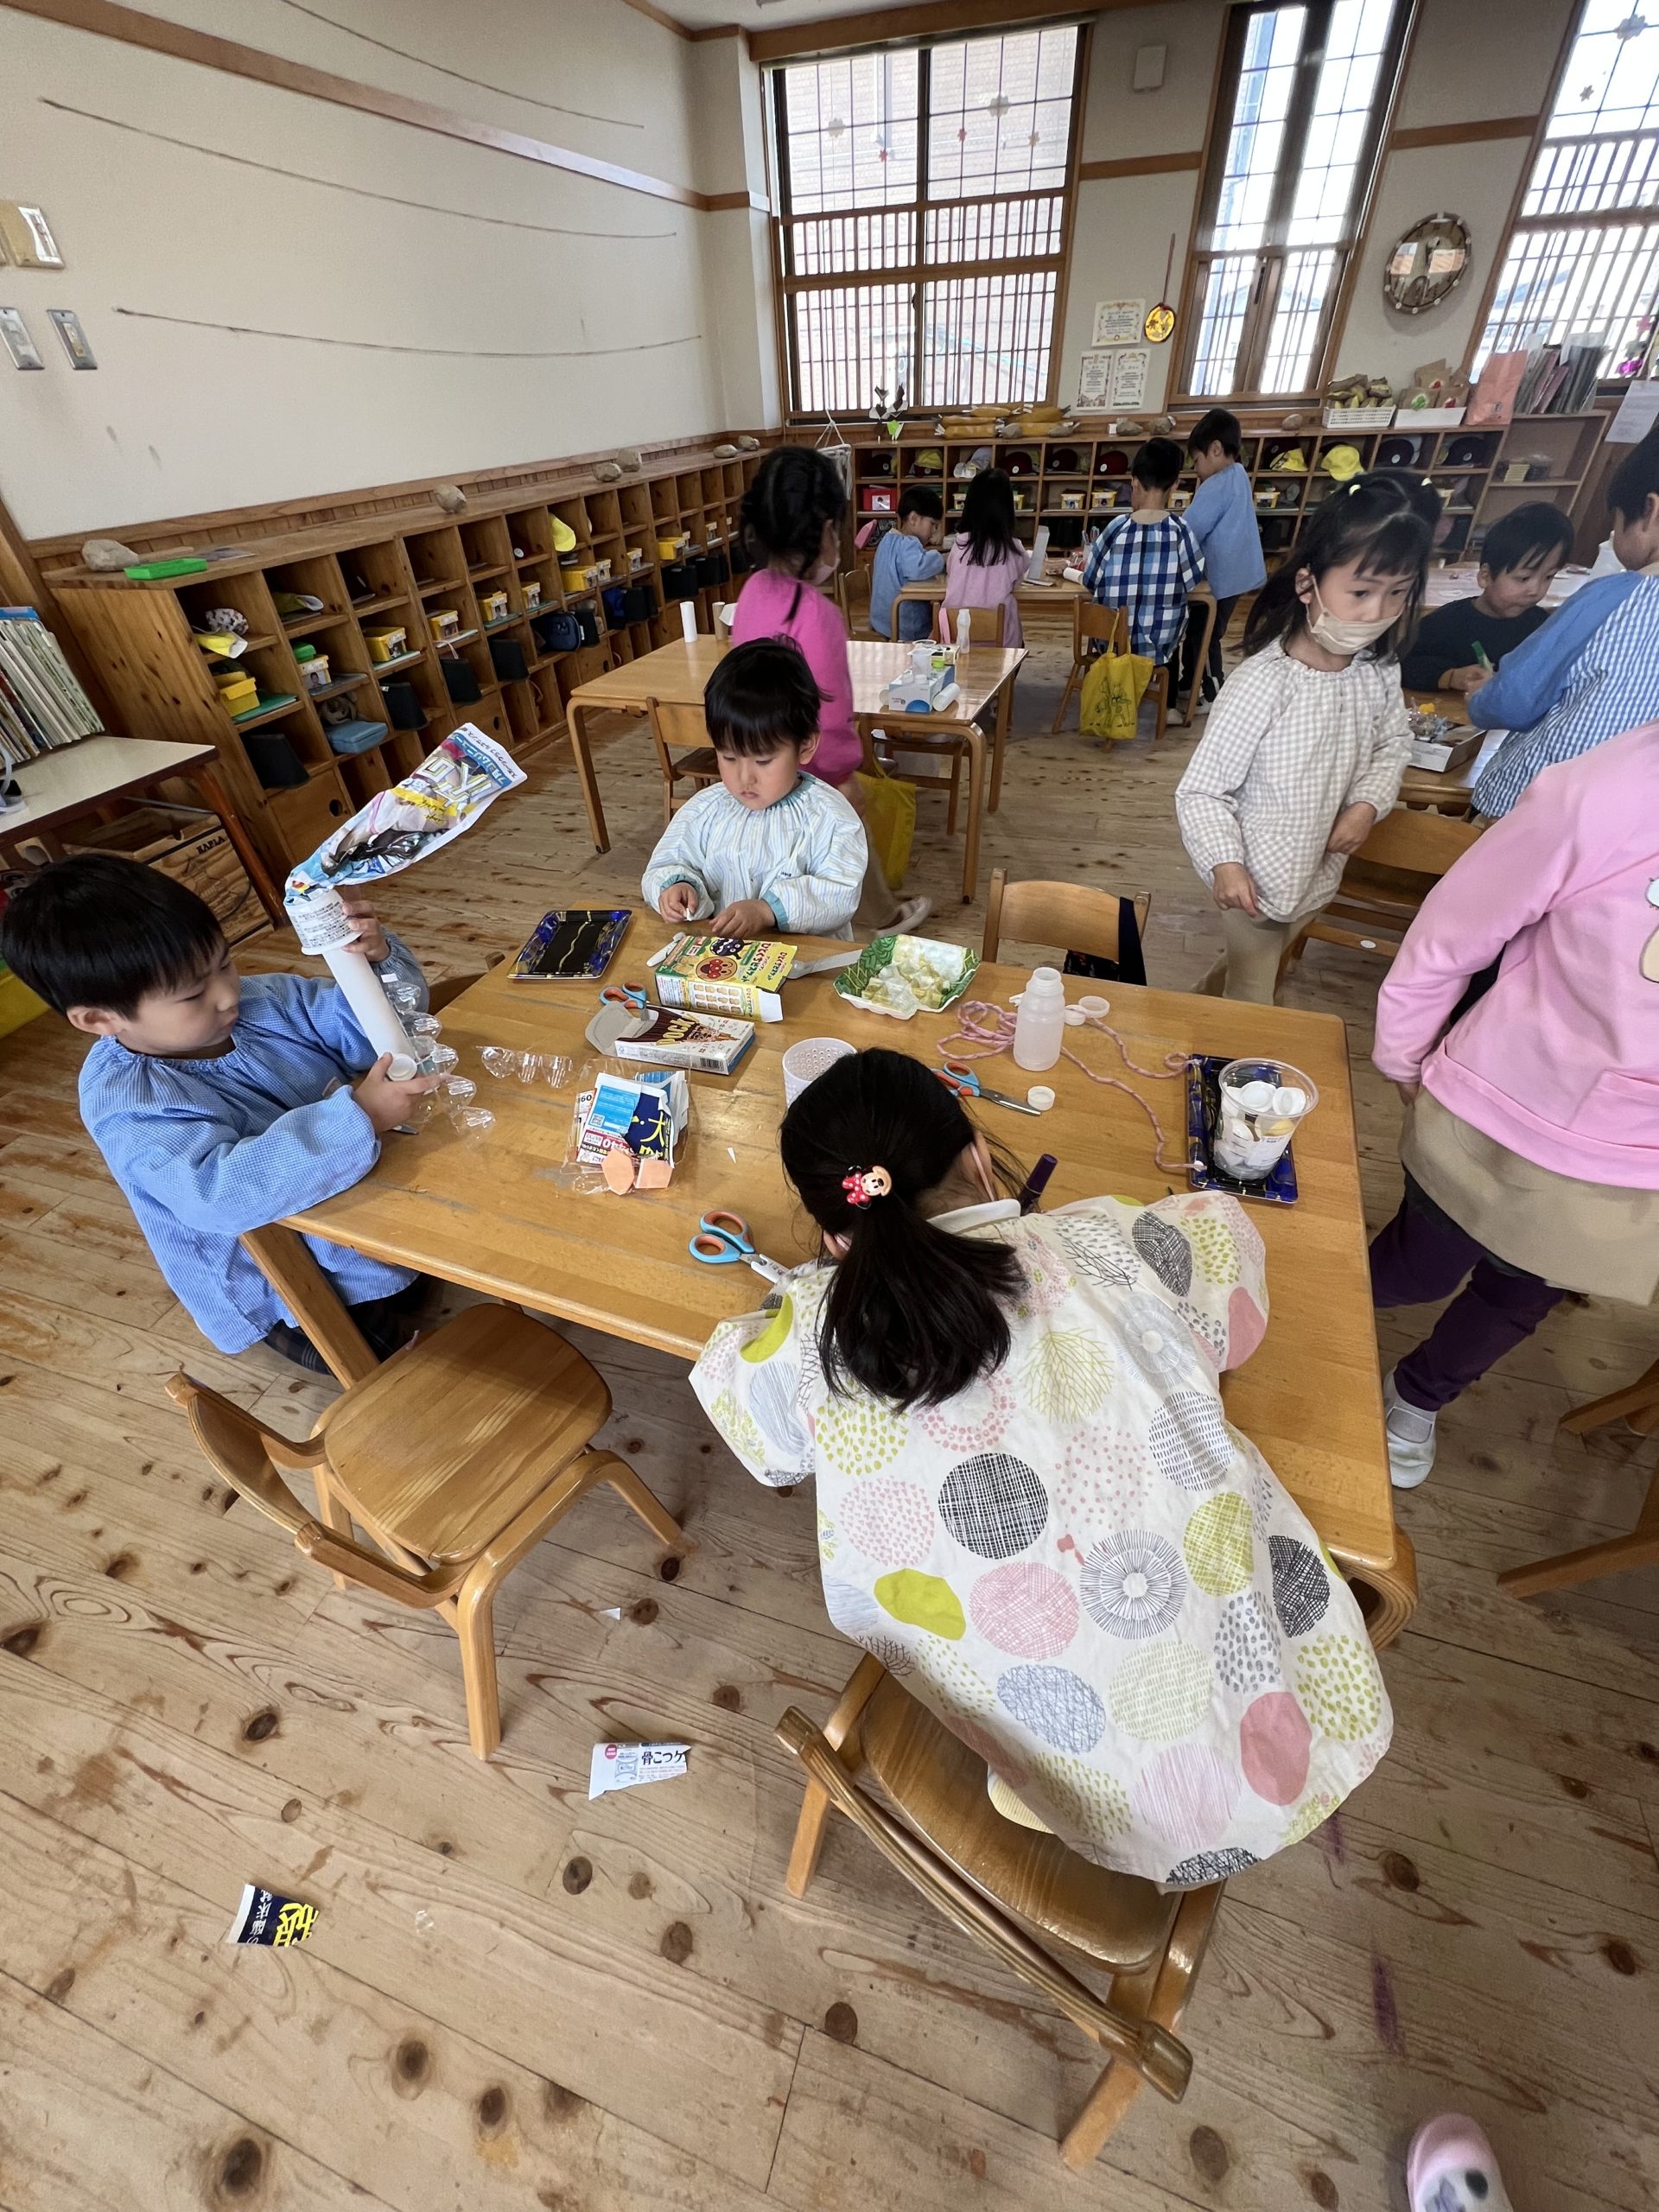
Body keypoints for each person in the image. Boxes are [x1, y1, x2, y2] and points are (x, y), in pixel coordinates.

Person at [690, 1047, 1391, 1886]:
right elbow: (1238, 1301)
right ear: (978, 1156)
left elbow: (756, 1435)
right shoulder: (1107, 1236)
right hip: (1309, 1726)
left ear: (838, 1237)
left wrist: (807, 1295)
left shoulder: (817, 1329)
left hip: (1085, 1798)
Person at [0, 854, 436, 1371]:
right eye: (193, 993)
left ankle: (390, 1278)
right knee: (391, 1361)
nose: (229, 995)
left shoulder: (265, 1001)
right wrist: (358, 1116)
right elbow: (220, 1194)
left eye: (224, 963)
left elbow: (377, 1035)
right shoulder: (129, 1102)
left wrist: (374, 964)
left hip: (355, 1211)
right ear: (100, 1019)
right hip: (284, 1278)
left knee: (425, 1274)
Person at [1368, 720, 1659, 1488]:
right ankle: (1299, 1312)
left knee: (1519, 1299)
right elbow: (1452, 932)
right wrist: (1404, 1050)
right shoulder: (1601, 794)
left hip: (1635, 1162)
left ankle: (1417, 1395)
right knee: (1417, 1268)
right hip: (1502, 1104)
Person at [1175, 477, 1427, 1001]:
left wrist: (1367, 805)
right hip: (1252, 882)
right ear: (1307, 585)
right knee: (1253, 998)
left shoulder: (1377, 669)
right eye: (1360, 592)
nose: (1377, 612)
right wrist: (1226, 863)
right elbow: (1201, 791)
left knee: (1253, 968)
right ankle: (1222, 1045)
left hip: (1318, 873)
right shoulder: (1264, 684)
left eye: (1398, 593)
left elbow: (1393, 744)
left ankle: (1194, 1006)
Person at [732, 447, 929, 932]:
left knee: (789, 852)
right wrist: (843, 775)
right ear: (825, 532)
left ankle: (798, 914)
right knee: (848, 844)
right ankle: (881, 918)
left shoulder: (751, 592)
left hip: (756, 760)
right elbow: (831, 713)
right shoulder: (819, 615)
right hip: (811, 770)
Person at [1464, 429, 1659, 817]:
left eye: (1617, 522)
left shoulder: (1611, 597)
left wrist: (1482, 699)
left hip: (1541, 808)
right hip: (1633, 822)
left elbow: (1516, 700)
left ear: (1651, 512)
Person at [642, 639, 867, 938]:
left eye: (763, 761)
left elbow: (840, 892)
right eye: (729, 757)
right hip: (727, 959)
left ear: (805, 746)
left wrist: (767, 910)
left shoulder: (831, 817)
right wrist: (677, 885)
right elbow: (668, 861)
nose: (744, 777)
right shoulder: (704, 810)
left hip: (806, 959)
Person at [1399, 501, 1576, 693]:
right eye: (1523, 578)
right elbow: (1405, 667)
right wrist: (1451, 677)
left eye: (1548, 577)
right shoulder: (1444, 624)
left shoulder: (1540, 626)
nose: (1535, 590)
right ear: (1485, 576)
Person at [1081, 437, 1204, 669]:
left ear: (1134, 482)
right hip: (1159, 649)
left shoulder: (1116, 528)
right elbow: (1193, 581)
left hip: (1111, 646)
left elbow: (1090, 580)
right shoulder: (1181, 531)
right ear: (1175, 485)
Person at [1178, 408, 1267, 704]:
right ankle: (1189, 682)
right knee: (1202, 630)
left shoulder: (1215, 485)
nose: (1196, 470)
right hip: (1237, 576)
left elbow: (1191, 529)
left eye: (1196, 461)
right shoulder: (1239, 474)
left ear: (1215, 449)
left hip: (1220, 580)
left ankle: (1212, 691)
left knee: (1204, 636)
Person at [942, 467, 1028, 648]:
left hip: (955, 641)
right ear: (1007, 510)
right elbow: (1022, 575)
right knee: (1018, 639)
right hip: (1001, 646)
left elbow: (951, 572)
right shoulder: (1013, 550)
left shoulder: (958, 545)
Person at [869, 488, 944, 643]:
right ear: (914, 519)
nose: (934, 531)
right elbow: (918, 568)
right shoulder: (908, 544)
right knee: (940, 625)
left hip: (881, 622)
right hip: (905, 627)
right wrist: (943, 558)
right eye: (933, 524)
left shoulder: (887, 540)